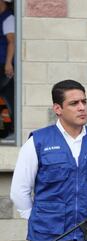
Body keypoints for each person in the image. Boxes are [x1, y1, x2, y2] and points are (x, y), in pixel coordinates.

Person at [9, 80, 87, 241]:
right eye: (74, 103)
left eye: (84, 101)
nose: (82, 107)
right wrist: (37, 219)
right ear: (57, 108)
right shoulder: (39, 141)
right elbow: (19, 190)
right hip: (48, 237)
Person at [0, 0, 14, 138]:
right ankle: (7, 129)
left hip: (3, 65)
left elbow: (11, 41)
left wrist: (8, 63)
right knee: (7, 97)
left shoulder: (8, 18)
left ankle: (7, 129)